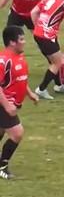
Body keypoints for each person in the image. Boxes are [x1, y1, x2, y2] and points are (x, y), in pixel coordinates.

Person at [0, 26, 39, 180]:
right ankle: (2, 166)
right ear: (11, 42)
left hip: (12, 104)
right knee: (17, 133)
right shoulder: (3, 60)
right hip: (4, 104)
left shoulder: (19, 57)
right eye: (21, 39)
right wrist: (7, 105)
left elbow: (20, 79)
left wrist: (30, 94)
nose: (24, 42)